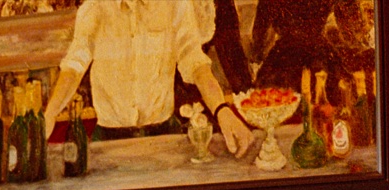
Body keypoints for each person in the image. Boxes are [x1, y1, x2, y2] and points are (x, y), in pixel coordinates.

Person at [41, 0, 253, 158]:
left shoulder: (175, 5)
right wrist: (50, 113)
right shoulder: (95, 8)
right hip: (108, 140)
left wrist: (221, 110)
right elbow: (73, 68)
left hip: (164, 136)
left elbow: (196, 64)